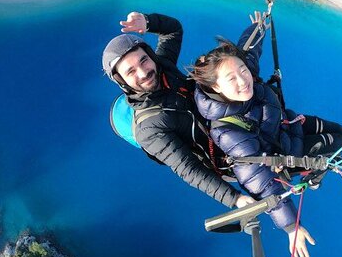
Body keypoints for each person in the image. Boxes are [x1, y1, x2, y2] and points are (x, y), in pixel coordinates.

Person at [190, 14, 342, 257]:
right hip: (281, 155)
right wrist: (290, 226)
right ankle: (315, 173)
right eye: (231, 79)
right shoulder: (228, 131)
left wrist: (258, 26)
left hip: (288, 124)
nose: (243, 80)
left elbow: (251, 50)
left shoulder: (247, 74)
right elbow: (259, 181)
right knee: (333, 143)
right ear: (216, 88)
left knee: (336, 129)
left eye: (242, 71)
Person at [101, 12, 255, 209]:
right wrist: (234, 198)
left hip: (232, 117)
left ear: (150, 55)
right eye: (130, 72)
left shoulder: (164, 67)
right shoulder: (149, 129)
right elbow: (188, 168)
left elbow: (173, 31)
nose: (143, 72)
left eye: (143, 60)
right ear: (122, 82)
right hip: (229, 155)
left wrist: (148, 22)